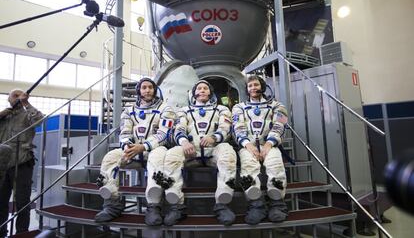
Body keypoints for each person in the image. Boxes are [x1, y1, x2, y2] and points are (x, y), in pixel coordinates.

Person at [94, 77, 176, 223]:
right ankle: (112, 205)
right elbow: (125, 133)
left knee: (157, 158)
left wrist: (143, 147)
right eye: (144, 87)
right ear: (139, 90)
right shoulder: (129, 111)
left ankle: (153, 207)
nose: (147, 90)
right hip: (133, 149)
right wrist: (127, 147)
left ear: (155, 90)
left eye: (150, 87)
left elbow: (165, 134)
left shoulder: (166, 109)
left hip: (155, 149)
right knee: (110, 158)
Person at [156, 80, 237, 226]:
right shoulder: (184, 110)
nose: (202, 90)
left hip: (214, 149)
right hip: (191, 150)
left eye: (205, 88)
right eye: (199, 88)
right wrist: (184, 142)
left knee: (228, 154)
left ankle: (222, 204)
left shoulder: (221, 109)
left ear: (210, 93)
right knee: (172, 156)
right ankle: (176, 206)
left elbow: (226, 128)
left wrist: (214, 137)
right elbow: (179, 128)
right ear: (194, 93)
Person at [232, 75, 289, 225]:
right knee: (248, 170)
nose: (253, 88)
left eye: (256, 85)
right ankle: (256, 205)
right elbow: (237, 128)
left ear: (262, 87)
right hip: (248, 146)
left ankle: (278, 205)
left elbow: (280, 125)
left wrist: (269, 144)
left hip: (270, 145)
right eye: (250, 86)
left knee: (275, 166)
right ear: (247, 89)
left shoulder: (277, 106)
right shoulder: (239, 108)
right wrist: (247, 145)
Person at [0, 89, 44, 237]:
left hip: (22, 163)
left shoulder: (27, 115)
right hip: (2, 165)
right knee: (0, 202)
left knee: (22, 203)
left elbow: (40, 120)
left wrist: (26, 103)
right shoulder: (3, 116)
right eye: (15, 95)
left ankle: (22, 233)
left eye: (21, 95)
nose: (18, 98)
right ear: (8, 98)